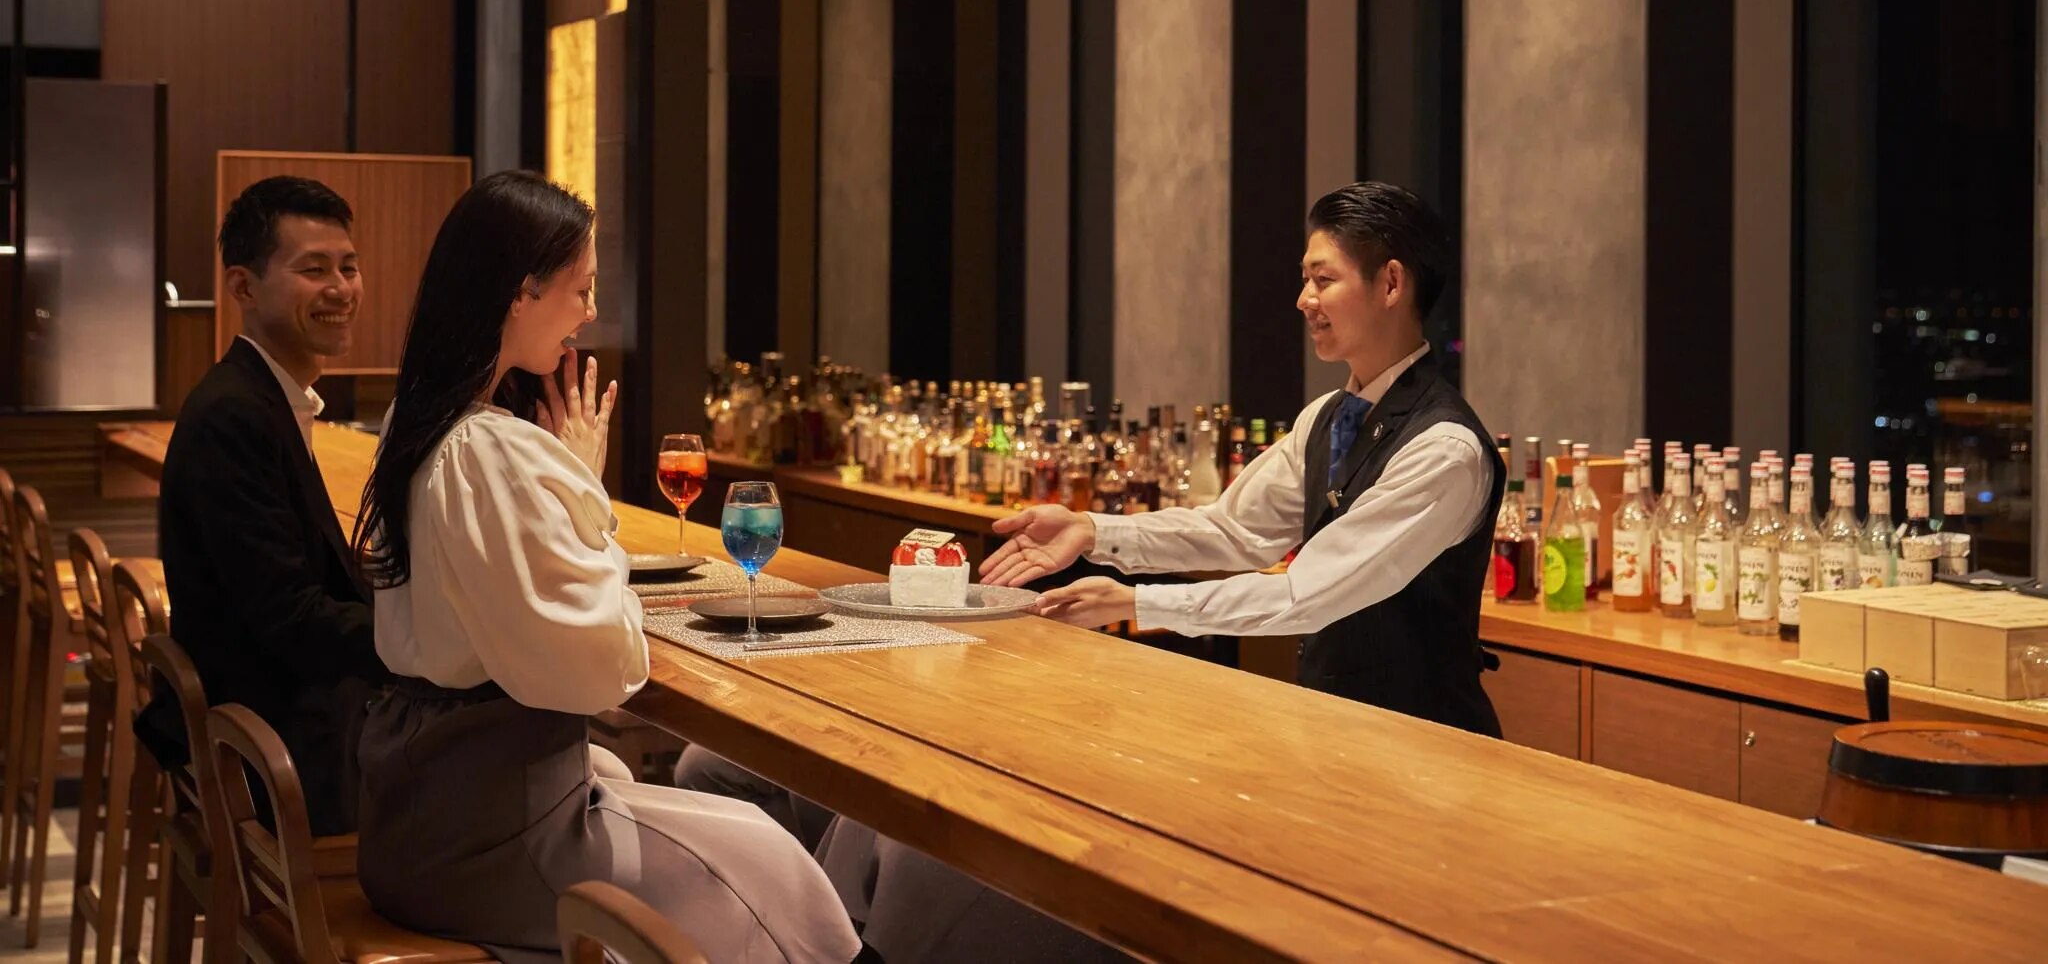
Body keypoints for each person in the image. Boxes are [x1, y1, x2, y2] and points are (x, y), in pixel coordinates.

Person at [351, 170, 860, 964]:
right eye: (581, 289)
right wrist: (582, 487)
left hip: (420, 809)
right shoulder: (490, 451)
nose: (590, 312)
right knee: (768, 864)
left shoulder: (417, 422)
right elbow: (596, 668)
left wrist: (562, 481)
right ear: (522, 293)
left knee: (730, 830)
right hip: (489, 833)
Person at [983, 181, 1505, 737]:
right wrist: (1092, 530)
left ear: (1392, 284)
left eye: (1323, 280)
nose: (1304, 300)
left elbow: (1308, 593)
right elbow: (1234, 529)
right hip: (1336, 728)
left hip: (1427, 741)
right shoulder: (1327, 416)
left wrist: (1137, 602)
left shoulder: (1443, 449)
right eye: (1305, 279)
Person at [138, 176, 392, 835]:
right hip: (271, 754)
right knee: (497, 779)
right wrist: (425, 642)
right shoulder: (235, 416)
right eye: (314, 269)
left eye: (348, 267)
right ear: (243, 287)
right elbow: (289, 617)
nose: (341, 288)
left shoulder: (267, 399)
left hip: (275, 724)